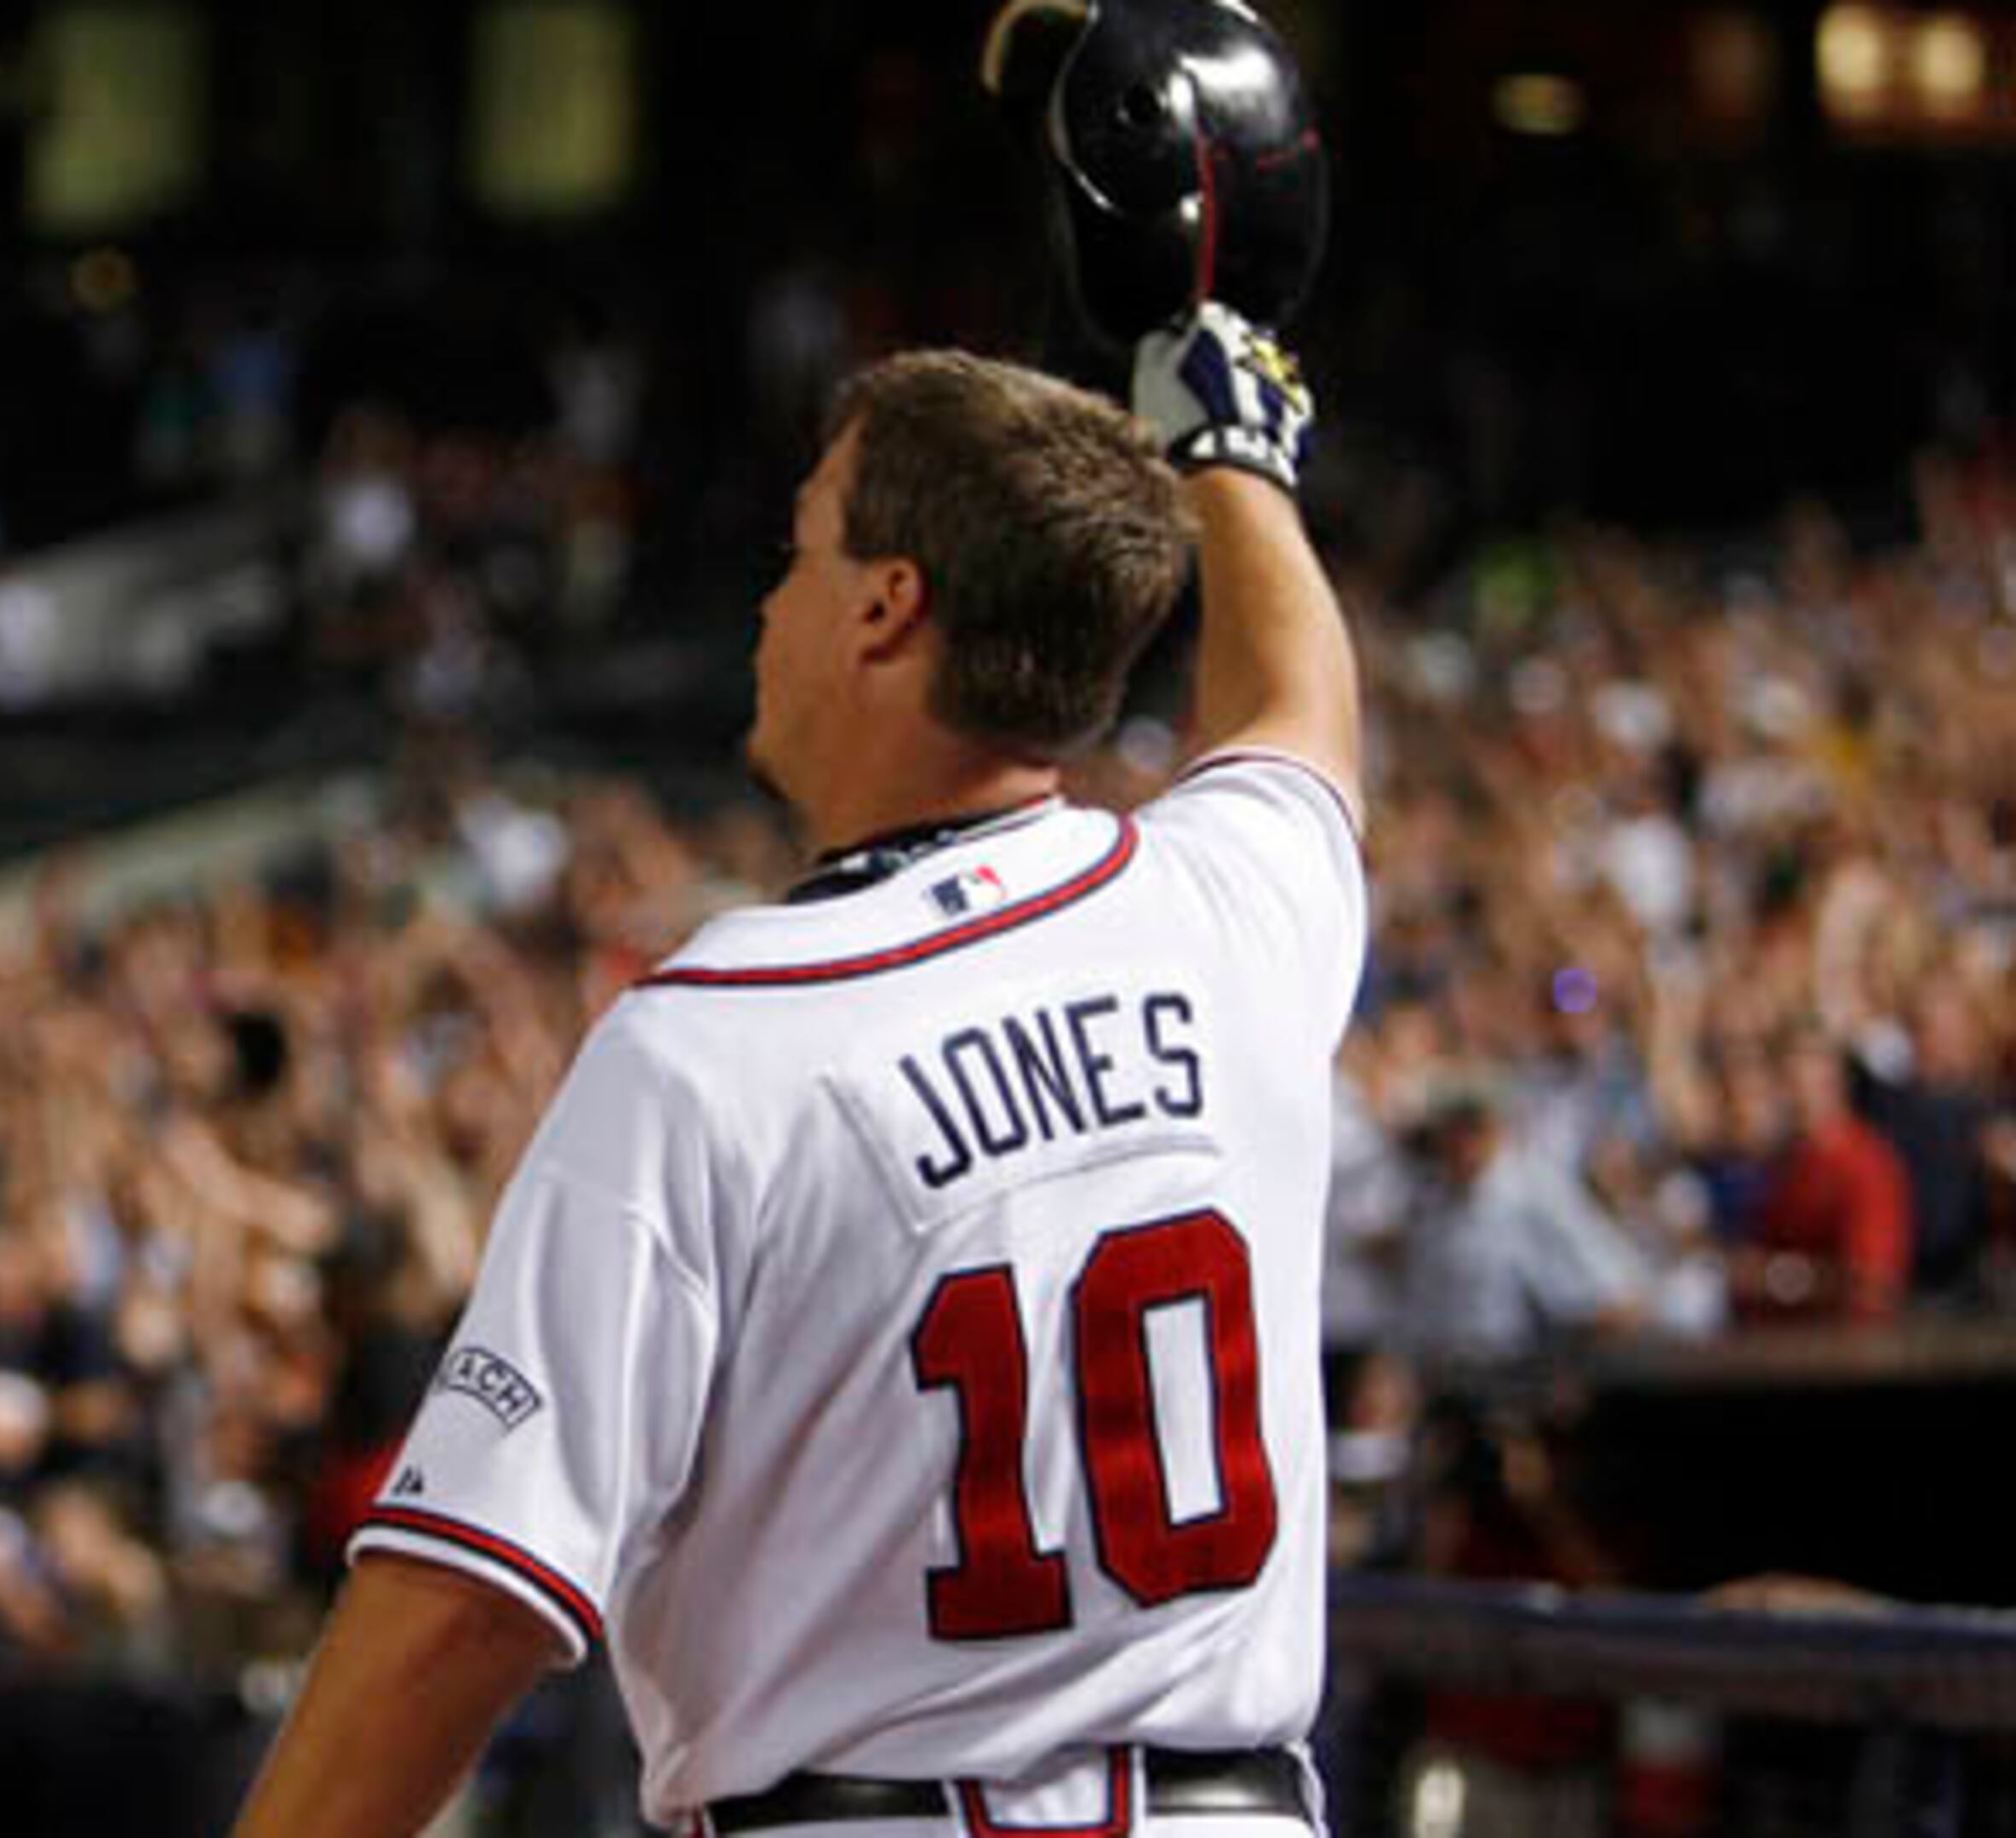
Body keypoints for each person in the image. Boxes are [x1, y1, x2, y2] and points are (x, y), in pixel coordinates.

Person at [231, 302, 1359, 1838]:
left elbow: (458, 1610)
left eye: (799, 553)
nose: (770, 604)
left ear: (888, 607)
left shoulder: (717, 1038)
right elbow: (1299, 714)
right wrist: (1240, 461)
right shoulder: (1235, 917)